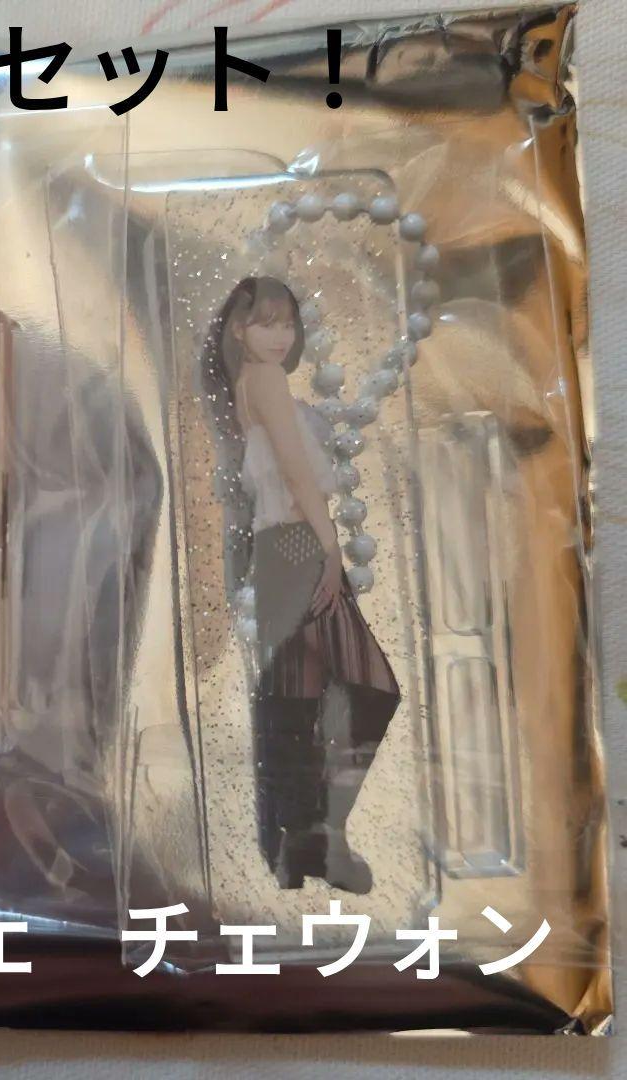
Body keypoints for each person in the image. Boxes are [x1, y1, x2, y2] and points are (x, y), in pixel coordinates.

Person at [201, 274, 401, 893]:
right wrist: (332, 547)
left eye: (288, 323)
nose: (281, 336)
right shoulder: (264, 379)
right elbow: (293, 468)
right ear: (240, 329)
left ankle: (301, 843)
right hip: (297, 543)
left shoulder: (251, 380)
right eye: (267, 323)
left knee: (300, 697)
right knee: (370, 689)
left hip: (279, 549)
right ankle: (321, 834)